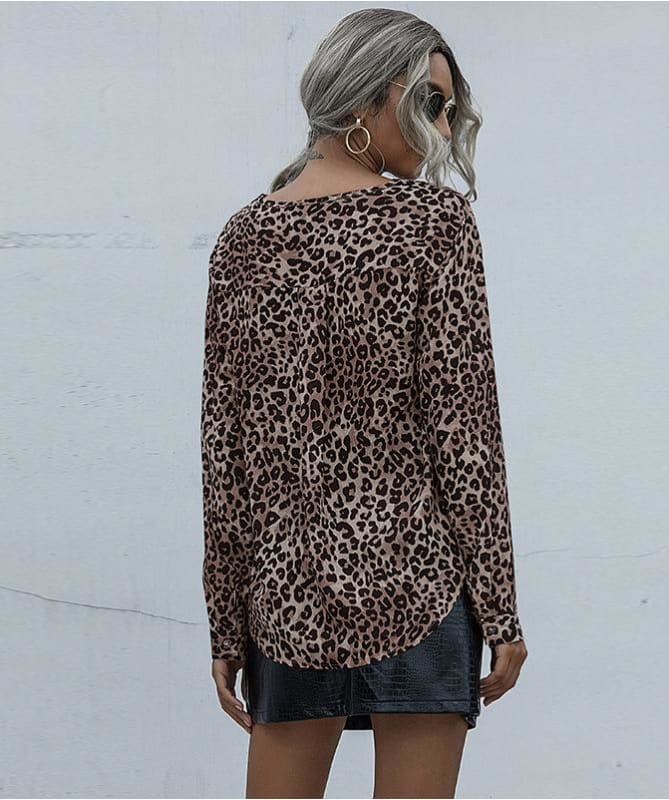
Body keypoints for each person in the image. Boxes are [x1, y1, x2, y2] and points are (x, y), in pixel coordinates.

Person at [200, 8, 528, 798]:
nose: (444, 128)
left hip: (287, 599)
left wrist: (226, 623)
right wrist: (501, 612)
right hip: (419, 584)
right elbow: (464, 434)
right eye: (433, 103)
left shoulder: (243, 239)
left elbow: (224, 453)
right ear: (371, 98)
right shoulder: (434, 224)